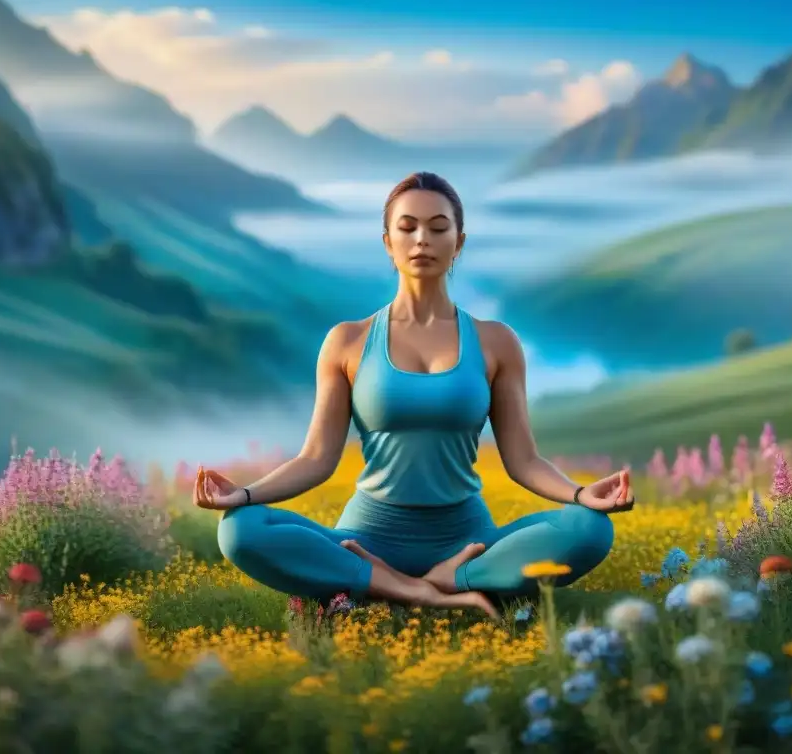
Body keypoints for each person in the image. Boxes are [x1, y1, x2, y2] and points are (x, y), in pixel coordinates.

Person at [193, 172, 634, 619]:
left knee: (590, 529)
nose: (422, 239)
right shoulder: (348, 341)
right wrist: (245, 496)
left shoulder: (496, 341)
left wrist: (580, 495)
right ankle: (404, 587)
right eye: (407, 227)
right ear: (388, 242)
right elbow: (315, 460)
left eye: (438, 227)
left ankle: (451, 579)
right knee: (241, 531)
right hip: (365, 541)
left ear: (458, 242)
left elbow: (523, 461)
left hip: (469, 544)